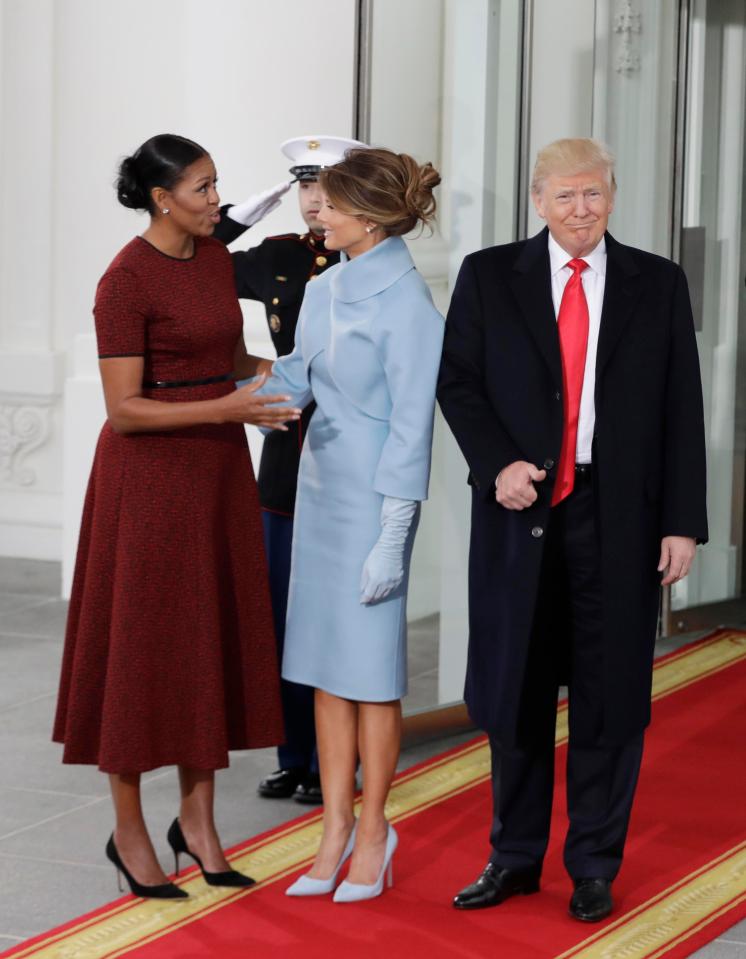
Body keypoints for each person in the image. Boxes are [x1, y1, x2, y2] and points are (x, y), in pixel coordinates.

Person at [437, 138, 707, 922]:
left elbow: (681, 408)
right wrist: (498, 465)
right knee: (515, 689)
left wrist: (682, 523)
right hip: (521, 511)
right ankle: (513, 857)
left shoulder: (657, 283)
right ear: (537, 201)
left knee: (608, 696)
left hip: (617, 518)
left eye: (593, 195)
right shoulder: (490, 275)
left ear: (613, 198)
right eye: (565, 197)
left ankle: (593, 863)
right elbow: (458, 382)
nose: (580, 211)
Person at [53, 134, 299, 899]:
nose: (217, 201)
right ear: (162, 197)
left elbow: (221, 358)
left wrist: (284, 375)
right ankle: (128, 831)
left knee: (207, 644)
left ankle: (198, 825)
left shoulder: (216, 257)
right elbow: (123, 410)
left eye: (215, 185)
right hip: (151, 483)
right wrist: (229, 405)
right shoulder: (122, 282)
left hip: (217, 469)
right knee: (141, 649)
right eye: (202, 188)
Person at [249, 147, 443, 902]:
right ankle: (333, 826)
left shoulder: (407, 305)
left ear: (367, 216)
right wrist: (202, 390)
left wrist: (394, 536)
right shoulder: (327, 290)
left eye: (329, 204)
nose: (316, 213)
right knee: (328, 671)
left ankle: (374, 831)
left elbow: (411, 430)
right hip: (321, 496)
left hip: (374, 505)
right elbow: (294, 378)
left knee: (370, 676)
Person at [213, 135, 367, 806]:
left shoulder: (373, 260)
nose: (312, 197)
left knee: (339, 615)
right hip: (285, 455)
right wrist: (239, 217)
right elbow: (189, 264)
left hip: (350, 450)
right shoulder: (277, 256)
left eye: (325, 184)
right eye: (302, 185)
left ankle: (343, 755)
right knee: (280, 612)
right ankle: (294, 755)